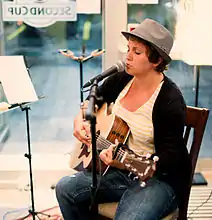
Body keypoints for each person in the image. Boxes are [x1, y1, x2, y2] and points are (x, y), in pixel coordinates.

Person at [55, 18, 192, 220]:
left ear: (157, 60)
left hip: (158, 179)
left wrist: (123, 162)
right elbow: (94, 100)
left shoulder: (169, 99)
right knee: (65, 189)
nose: (127, 57)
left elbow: (171, 159)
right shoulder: (122, 79)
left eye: (137, 52)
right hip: (118, 172)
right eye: (128, 49)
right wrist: (80, 118)